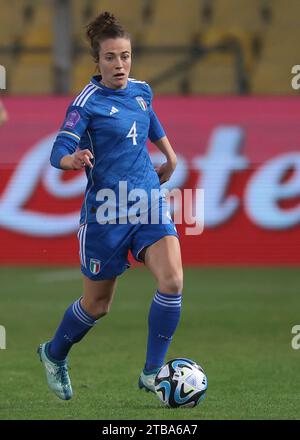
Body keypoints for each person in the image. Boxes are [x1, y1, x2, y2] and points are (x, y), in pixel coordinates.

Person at [38, 11, 183, 401]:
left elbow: (148, 117)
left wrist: (169, 156)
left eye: (126, 56)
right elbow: (59, 149)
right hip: (106, 216)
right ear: (97, 62)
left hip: (149, 203)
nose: (120, 65)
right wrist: (73, 159)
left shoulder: (141, 90)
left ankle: (153, 372)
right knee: (97, 306)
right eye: (111, 58)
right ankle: (53, 354)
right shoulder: (86, 103)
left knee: (172, 281)